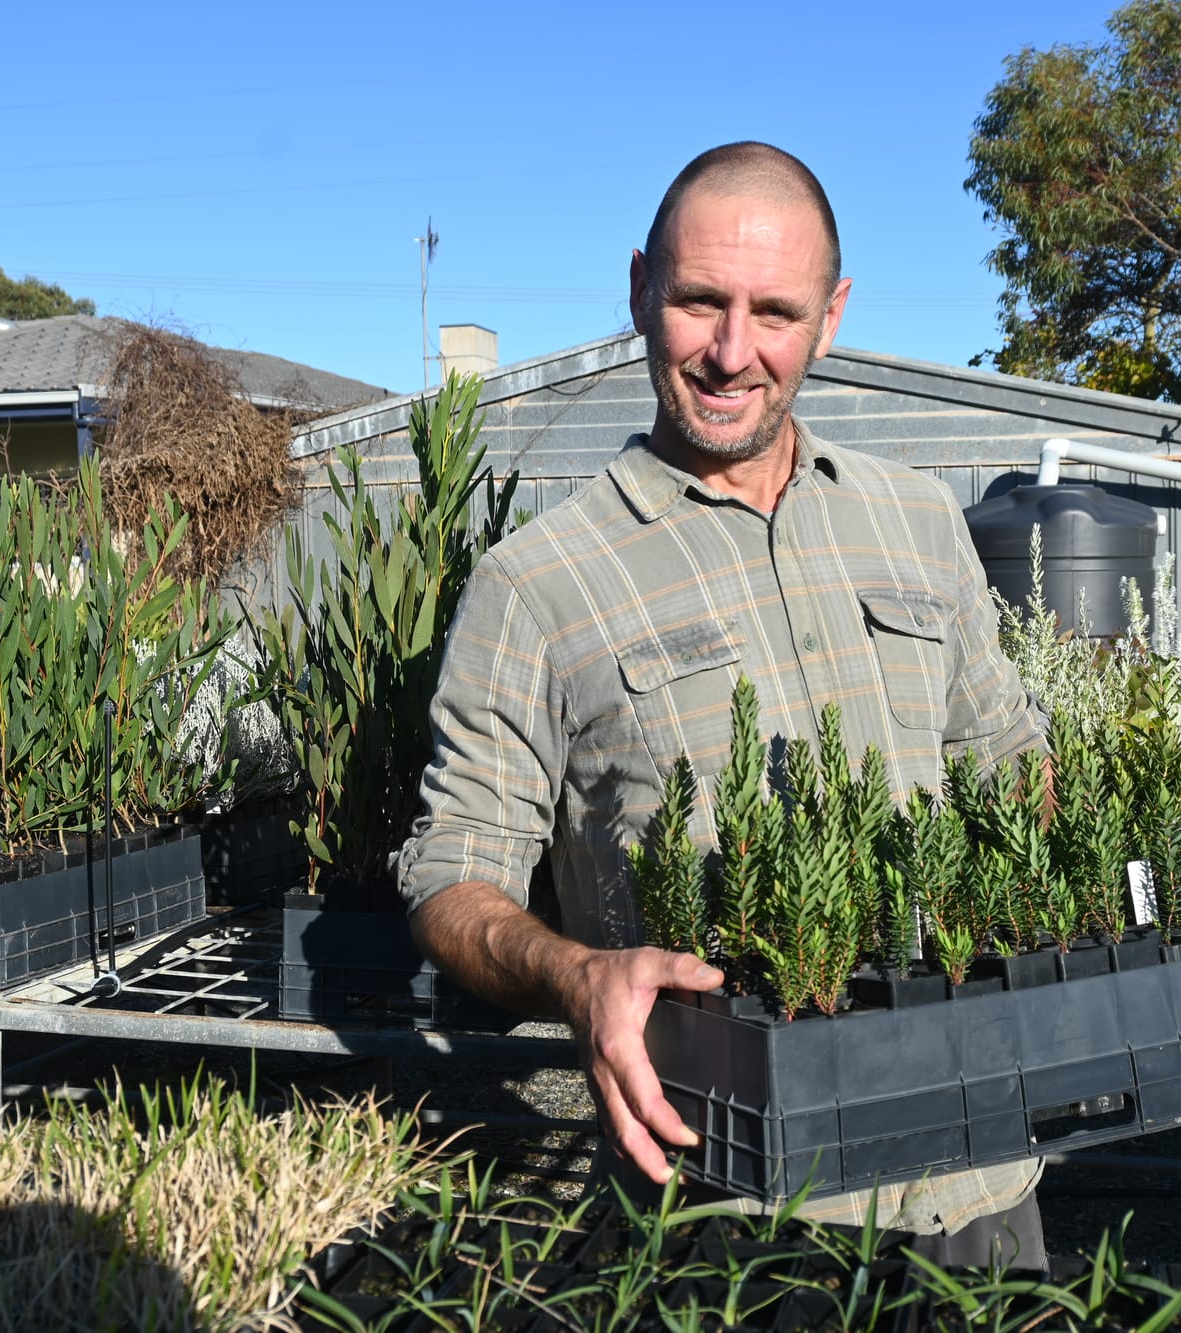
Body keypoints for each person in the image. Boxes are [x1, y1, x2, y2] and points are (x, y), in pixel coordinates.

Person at [397, 141, 1049, 1270]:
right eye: (699, 299)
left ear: (831, 316)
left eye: (775, 312)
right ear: (642, 284)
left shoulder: (918, 520)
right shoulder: (534, 583)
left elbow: (1006, 758)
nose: (731, 352)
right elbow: (448, 874)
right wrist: (576, 975)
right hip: (728, 1207)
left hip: (981, 1175)